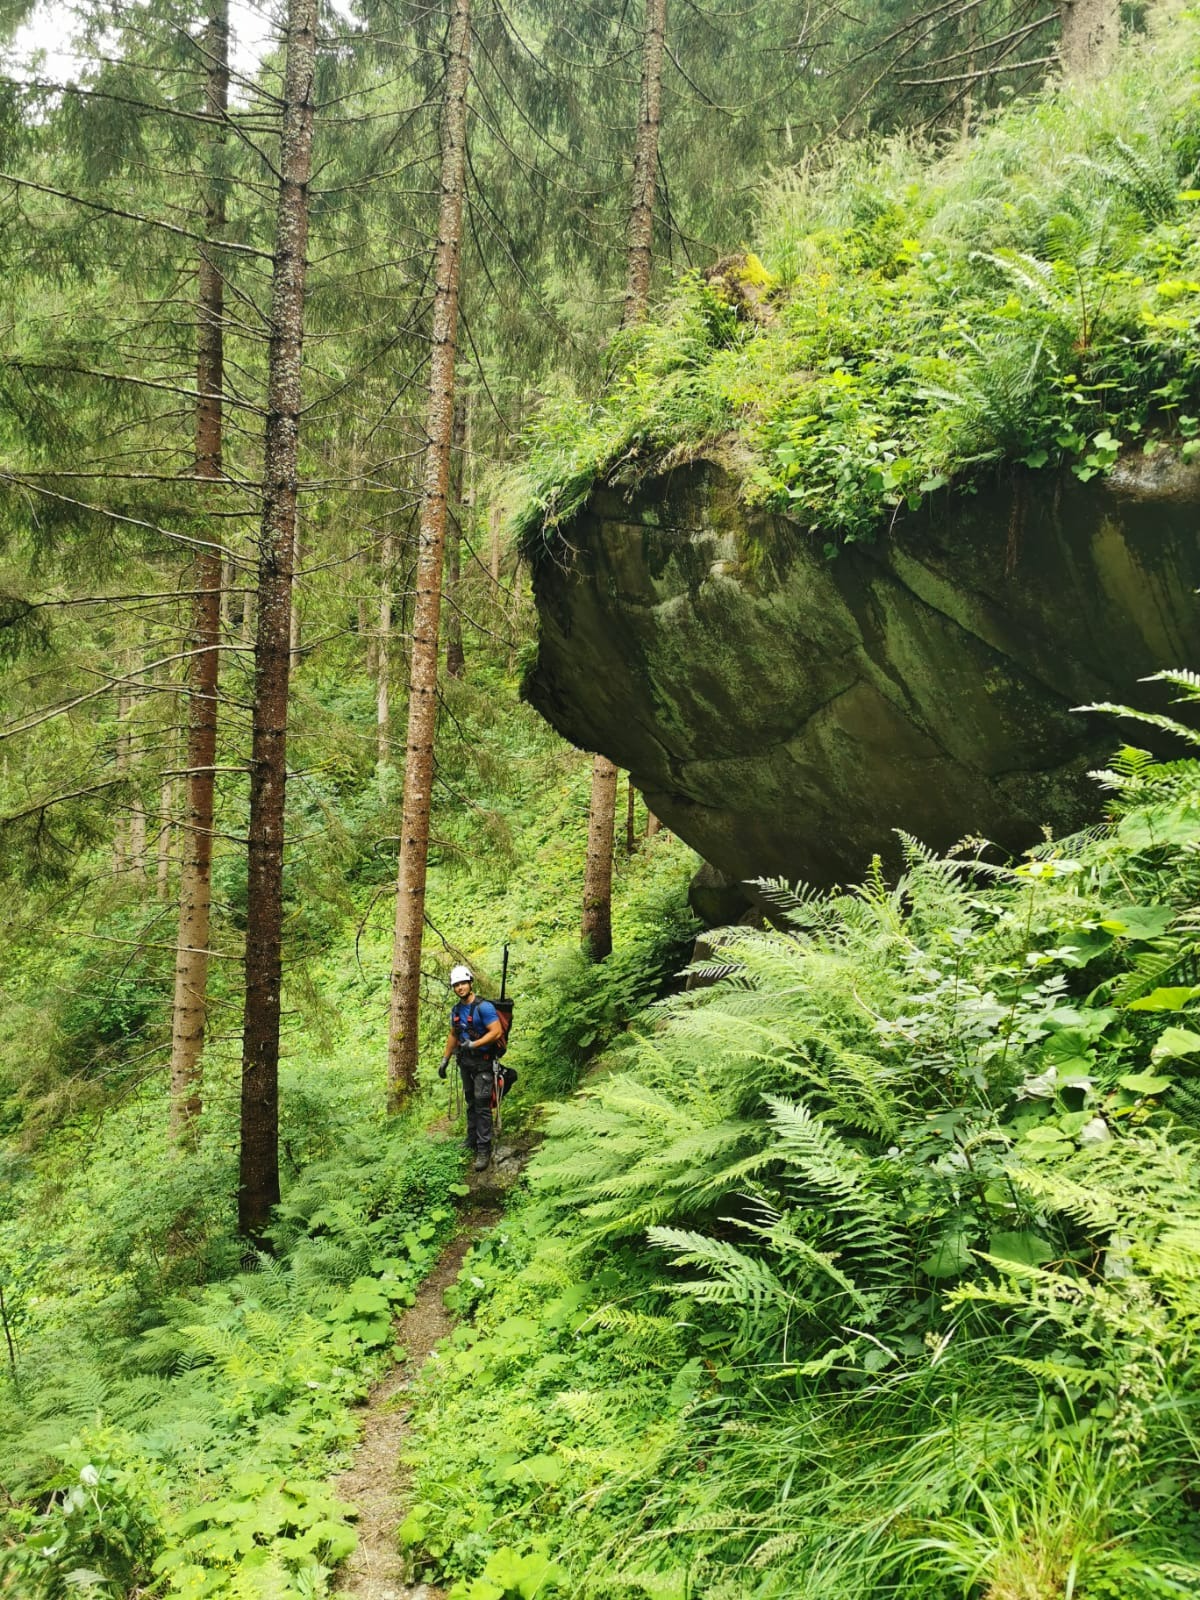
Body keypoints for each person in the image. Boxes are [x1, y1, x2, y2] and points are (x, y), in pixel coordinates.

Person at [438, 965, 504, 1171]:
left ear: (470, 983)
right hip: (465, 1063)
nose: (460, 988)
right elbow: (453, 1035)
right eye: (456, 985)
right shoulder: (456, 1011)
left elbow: (497, 1031)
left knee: (482, 1104)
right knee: (470, 1101)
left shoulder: (484, 1007)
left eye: (463, 983)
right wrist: (445, 1059)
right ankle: (472, 1138)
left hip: (483, 1062)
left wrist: (474, 1044)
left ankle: (484, 1148)